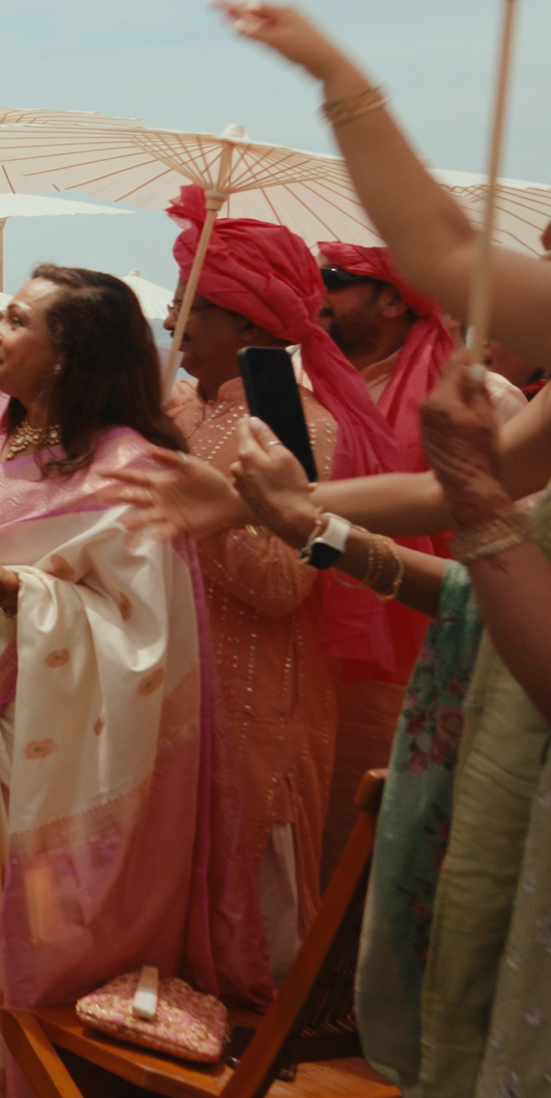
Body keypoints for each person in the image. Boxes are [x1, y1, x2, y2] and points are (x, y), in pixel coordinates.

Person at [0, 110, 267, 1098]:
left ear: (69, 352)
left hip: (66, 751)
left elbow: (144, 637)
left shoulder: (133, 468)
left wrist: (20, 589)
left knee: (26, 924)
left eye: (17, 318)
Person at [215, 0, 551, 1091]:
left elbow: (442, 253)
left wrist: (333, 71)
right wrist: (297, 513)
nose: (546, 262)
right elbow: (461, 494)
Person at [158, 188, 405, 980]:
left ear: (251, 325)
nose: (171, 321)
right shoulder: (180, 413)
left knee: (245, 878)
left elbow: (281, 583)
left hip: (258, 697)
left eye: (191, 307)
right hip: (175, 685)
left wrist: (205, 508)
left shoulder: (297, 427)